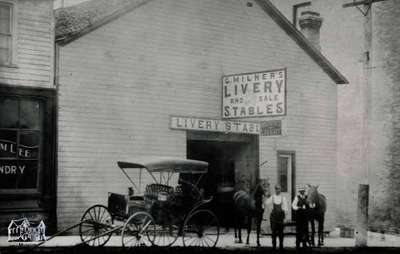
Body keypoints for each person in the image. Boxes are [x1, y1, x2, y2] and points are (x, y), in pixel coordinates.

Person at [265, 184, 288, 251]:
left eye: (279, 189)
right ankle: (274, 246)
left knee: (281, 233)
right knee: (273, 233)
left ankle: (281, 245)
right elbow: (266, 203)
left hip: (280, 218)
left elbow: (285, 208)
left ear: (280, 190)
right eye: (277, 189)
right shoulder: (272, 197)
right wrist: (270, 209)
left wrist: (285, 218)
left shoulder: (283, 198)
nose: (278, 190)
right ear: (275, 190)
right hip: (274, 218)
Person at [253, 179, 267, 247]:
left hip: (259, 204)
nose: (262, 183)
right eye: (262, 182)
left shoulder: (259, 187)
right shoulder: (260, 187)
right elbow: (264, 193)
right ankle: (258, 239)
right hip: (259, 206)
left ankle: (258, 236)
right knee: (259, 221)